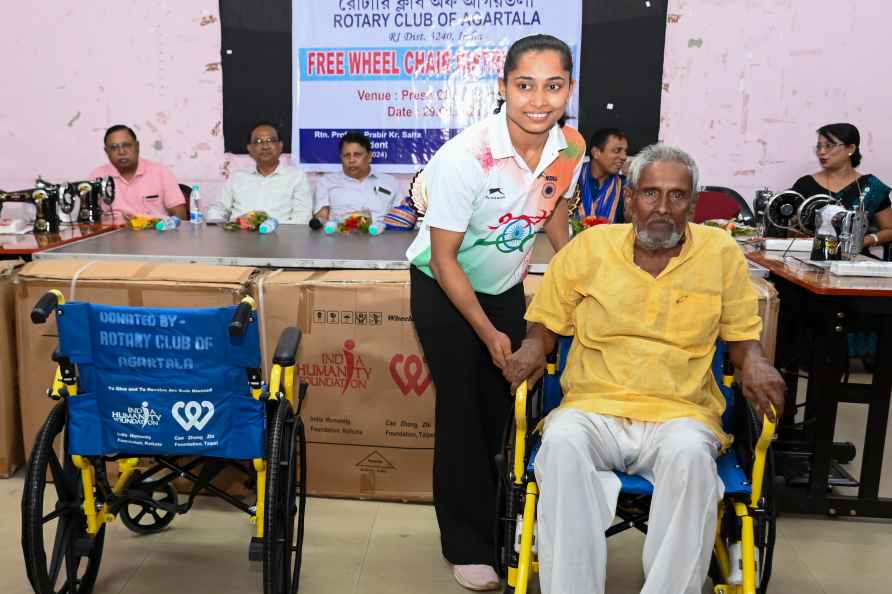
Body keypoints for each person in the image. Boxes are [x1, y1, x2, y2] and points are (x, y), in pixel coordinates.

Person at [504, 144, 786, 594]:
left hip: (682, 412)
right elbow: (546, 324)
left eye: (677, 196)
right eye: (651, 194)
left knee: (693, 459)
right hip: (594, 406)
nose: (663, 208)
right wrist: (531, 349)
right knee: (560, 443)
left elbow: (741, 337)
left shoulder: (719, 253)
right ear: (630, 198)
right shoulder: (589, 248)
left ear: (693, 205)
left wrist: (756, 362)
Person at [405, 34, 585, 591]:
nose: (538, 100)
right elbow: (444, 256)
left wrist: (585, 273)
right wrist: (486, 334)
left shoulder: (570, 148)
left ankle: (496, 524)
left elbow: (552, 215)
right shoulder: (467, 156)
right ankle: (466, 545)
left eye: (553, 86)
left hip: (505, 287)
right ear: (503, 87)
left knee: (500, 411)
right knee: (463, 413)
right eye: (524, 85)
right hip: (444, 290)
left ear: (569, 89)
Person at [791, 122, 892, 248]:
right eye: (819, 146)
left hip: (854, 260)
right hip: (810, 256)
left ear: (850, 149)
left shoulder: (870, 186)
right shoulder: (805, 184)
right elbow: (788, 223)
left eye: (829, 146)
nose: (822, 152)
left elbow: (889, 229)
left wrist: (867, 240)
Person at [206, 122, 313, 224]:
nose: (265, 146)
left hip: (280, 238)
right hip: (239, 236)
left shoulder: (296, 177)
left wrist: (266, 226)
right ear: (250, 149)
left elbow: (302, 218)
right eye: (258, 141)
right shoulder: (237, 177)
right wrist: (225, 227)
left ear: (280, 146)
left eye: (270, 140)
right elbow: (218, 208)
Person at [89, 125, 187, 220]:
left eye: (126, 145)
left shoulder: (160, 172)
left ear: (137, 146)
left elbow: (180, 217)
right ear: (107, 151)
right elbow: (90, 220)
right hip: (113, 235)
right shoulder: (98, 176)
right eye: (114, 147)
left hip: (156, 234)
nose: (121, 152)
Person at [313, 131, 400, 226]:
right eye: (347, 155)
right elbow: (321, 219)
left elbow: (402, 218)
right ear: (341, 158)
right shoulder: (326, 182)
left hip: (381, 236)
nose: (351, 160)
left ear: (370, 156)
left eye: (357, 155)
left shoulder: (390, 182)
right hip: (340, 236)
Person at [571, 127, 629, 224]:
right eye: (617, 150)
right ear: (596, 153)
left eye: (625, 152)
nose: (624, 157)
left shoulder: (625, 186)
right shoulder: (572, 179)